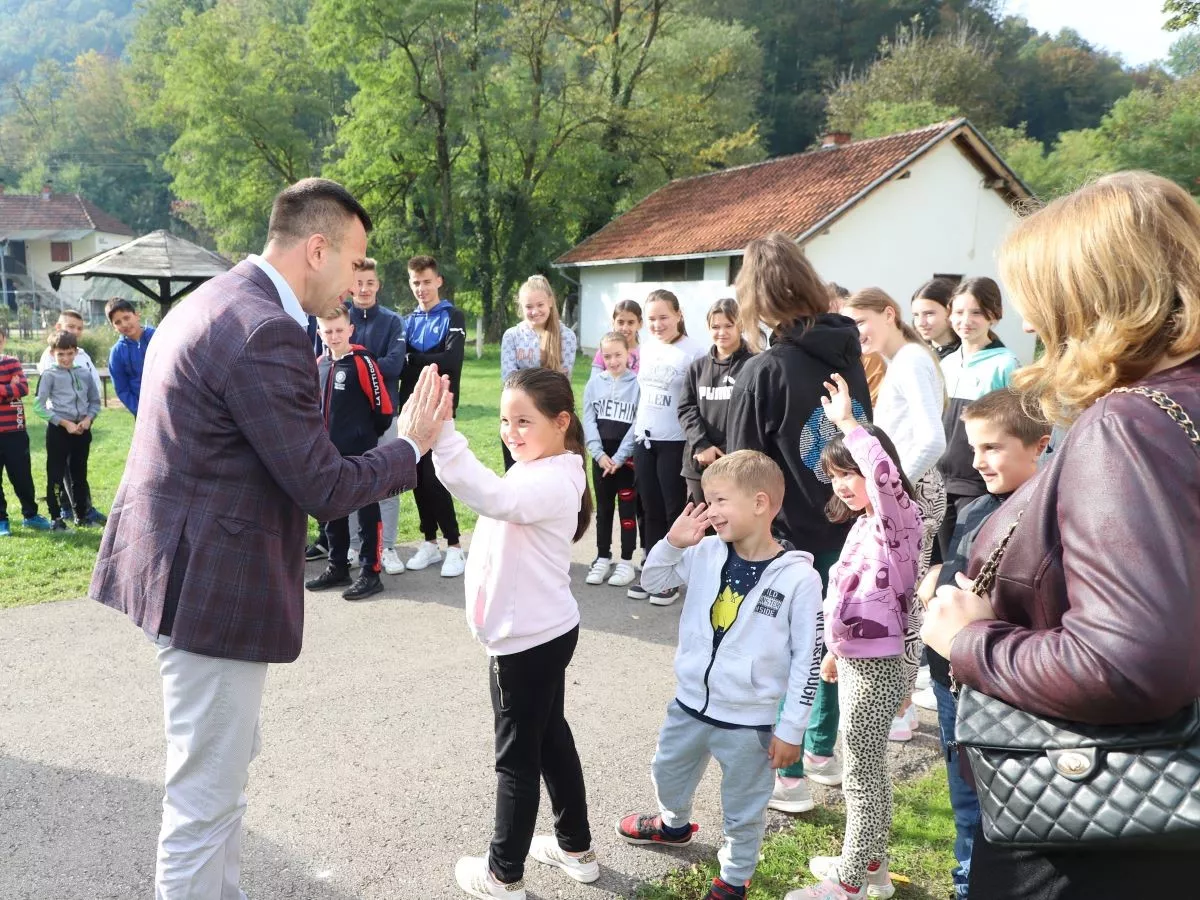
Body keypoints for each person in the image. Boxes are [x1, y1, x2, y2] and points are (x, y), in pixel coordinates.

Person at [88, 177, 444, 900]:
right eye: (352, 263)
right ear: (317, 249)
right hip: (213, 589)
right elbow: (323, 486)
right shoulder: (264, 329)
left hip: (182, 570)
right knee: (203, 802)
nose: (352, 285)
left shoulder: (215, 299)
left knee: (219, 782)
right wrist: (408, 446)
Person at [923, 171, 1200, 899]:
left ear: (1089, 300)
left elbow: (1130, 662)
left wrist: (969, 640)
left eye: (1042, 303)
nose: (1038, 326)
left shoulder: (1132, 423)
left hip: (1097, 824)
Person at [617, 451, 824, 900]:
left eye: (720, 500)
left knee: (743, 808)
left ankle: (734, 877)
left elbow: (809, 658)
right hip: (688, 705)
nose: (710, 511)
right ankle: (673, 826)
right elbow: (653, 582)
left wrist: (791, 730)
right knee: (666, 773)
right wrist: (672, 543)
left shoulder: (799, 580)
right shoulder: (705, 552)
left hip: (750, 723)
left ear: (761, 503)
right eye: (707, 500)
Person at [429, 367, 598, 900]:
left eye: (524, 420)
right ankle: (576, 848)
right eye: (505, 420)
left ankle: (504, 875)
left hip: (526, 643)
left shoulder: (548, 479)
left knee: (517, 761)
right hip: (543, 632)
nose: (510, 430)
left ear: (561, 422)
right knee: (550, 740)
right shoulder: (550, 467)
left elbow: (491, 498)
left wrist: (444, 437)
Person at [726, 232, 872, 813]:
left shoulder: (764, 370)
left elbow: (742, 469)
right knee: (829, 643)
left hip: (785, 539)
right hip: (846, 522)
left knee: (781, 654)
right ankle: (818, 751)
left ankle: (785, 775)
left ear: (756, 300)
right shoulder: (849, 354)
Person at [786, 375, 922, 900]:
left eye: (851, 473)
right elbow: (843, 597)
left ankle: (848, 884)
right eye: (834, 475)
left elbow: (883, 476)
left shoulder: (897, 521)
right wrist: (834, 654)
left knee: (861, 775)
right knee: (863, 766)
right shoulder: (863, 525)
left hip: (880, 667)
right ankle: (873, 872)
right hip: (856, 663)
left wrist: (847, 424)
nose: (843, 483)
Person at [914, 388, 1050, 900]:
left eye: (992, 448)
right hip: (949, 675)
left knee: (996, 795)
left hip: (993, 679)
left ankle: (983, 882)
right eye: (973, 449)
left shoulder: (1042, 516)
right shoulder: (974, 509)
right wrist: (936, 575)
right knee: (964, 795)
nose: (978, 461)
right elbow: (959, 564)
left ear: (1039, 445)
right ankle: (965, 879)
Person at [842, 287, 947, 742]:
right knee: (893, 595)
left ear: (889, 313)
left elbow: (933, 439)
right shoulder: (899, 363)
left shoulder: (911, 362)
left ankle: (899, 708)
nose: (857, 332)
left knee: (902, 601)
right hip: (903, 489)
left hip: (915, 490)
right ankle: (897, 704)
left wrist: (894, 488)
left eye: (861, 321)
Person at [304, 305, 395, 601]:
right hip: (328, 453)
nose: (334, 336)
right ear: (319, 333)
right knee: (333, 511)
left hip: (360, 451)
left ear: (350, 330)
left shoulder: (362, 361)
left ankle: (371, 572)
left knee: (366, 510)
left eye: (339, 330)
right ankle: (338, 566)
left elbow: (382, 407)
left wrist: (365, 436)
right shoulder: (319, 363)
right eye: (328, 331)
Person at [627, 289, 705, 605]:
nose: (657, 324)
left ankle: (672, 577)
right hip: (644, 440)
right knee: (649, 507)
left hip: (675, 443)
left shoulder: (694, 352)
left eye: (663, 317)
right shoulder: (645, 349)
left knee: (674, 508)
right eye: (652, 319)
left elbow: (694, 403)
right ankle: (651, 567)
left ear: (678, 314)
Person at [936, 277, 1020, 560]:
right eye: (958, 312)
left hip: (978, 483)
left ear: (994, 316)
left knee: (966, 562)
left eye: (976, 313)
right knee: (941, 563)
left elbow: (1015, 426)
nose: (965, 320)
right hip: (940, 483)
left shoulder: (1006, 364)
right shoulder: (944, 364)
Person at [400, 254, 468, 577]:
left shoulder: (453, 315)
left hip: (441, 406)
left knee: (435, 476)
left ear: (438, 280)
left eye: (427, 281)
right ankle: (429, 542)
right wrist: (421, 359)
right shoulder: (408, 321)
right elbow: (400, 362)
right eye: (416, 283)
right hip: (411, 408)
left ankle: (454, 546)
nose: (422, 289)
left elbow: (451, 360)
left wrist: (414, 358)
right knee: (416, 476)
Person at [340, 258, 408, 576]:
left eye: (370, 283)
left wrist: (358, 367)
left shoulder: (393, 322)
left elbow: (394, 366)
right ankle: (356, 545)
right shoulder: (341, 317)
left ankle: (388, 547)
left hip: (385, 414)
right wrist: (371, 365)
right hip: (349, 418)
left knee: (387, 481)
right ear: (351, 285)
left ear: (378, 285)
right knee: (353, 480)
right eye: (359, 283)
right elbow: (333, 360)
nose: (364, 289)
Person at [678, 297, 754, 507]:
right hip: (700, 461)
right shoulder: (697, 368)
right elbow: (686, 409)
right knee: (702, 527)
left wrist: (732, 452)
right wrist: (702, 445)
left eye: (729, 325)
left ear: (741, 325)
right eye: (715, 326)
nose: (722, 332)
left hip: (738, 461)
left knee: (735, 526)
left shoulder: (754, 365)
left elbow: (756, 415)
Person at [500, 275, 579, 469]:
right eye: (528, 307)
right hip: (519, 419)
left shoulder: (566, 336)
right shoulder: (513, 335)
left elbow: (562, 382)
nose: (535, 311)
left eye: (540, 305)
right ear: (521, 307)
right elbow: (509, 378)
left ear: (550, 302)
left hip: (550, 417)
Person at [37, 307, 106, 525]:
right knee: (56, 475)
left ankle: (81, 515)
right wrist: (64, 423)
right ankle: (56, 517)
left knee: (79, 476)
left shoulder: (83, 373)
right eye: (60, 354)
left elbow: (95, 402)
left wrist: (88, 419)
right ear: (52, 354)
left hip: (82, 430)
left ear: (76, 352)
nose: (65, 358)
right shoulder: (49, 375)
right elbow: (39, 407)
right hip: (60, 430)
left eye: (69, 353)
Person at [582, 331, 640, 588]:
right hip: (601, 459)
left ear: (629, 354)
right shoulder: (594, 384)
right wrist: (599, 454)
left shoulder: (638, 385)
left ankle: (626, 560)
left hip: (625, 461)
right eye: (607, 356)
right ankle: (602, 556)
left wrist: (619, 456)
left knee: (627, 511)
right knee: (603, 511)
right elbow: (588, 420)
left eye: (618, 355)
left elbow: (637, 424)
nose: (613, 361)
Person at [0, 323, 51, 534]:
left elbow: (23, 387)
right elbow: (13, 389)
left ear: (3, 339)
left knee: (22, 476)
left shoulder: (12, 362)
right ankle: (2, 520)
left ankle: (30, 514)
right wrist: (7, 391)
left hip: (15, 432)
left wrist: (13, 389)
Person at [105, 297, 155, 417]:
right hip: (143, 412)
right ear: (113, 327)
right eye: (117, 322)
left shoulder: (157, 336)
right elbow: (122, 389)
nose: (124, 324)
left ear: (137, 315)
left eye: (127, 318)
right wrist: (140, 411)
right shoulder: (116, 353)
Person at [910, 277, 961, 359]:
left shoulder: (969, 356)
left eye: (929, 313)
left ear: (951, 312)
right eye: (916, 315)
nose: (921, 323)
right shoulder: (914, 354)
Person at [591, 299, 643, 374]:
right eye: (620, 322)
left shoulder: (644, 355)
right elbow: (593, 382)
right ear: (613, 323)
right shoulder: (605, 351)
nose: (625, 328)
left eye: (631, 322)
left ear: (640, 324)